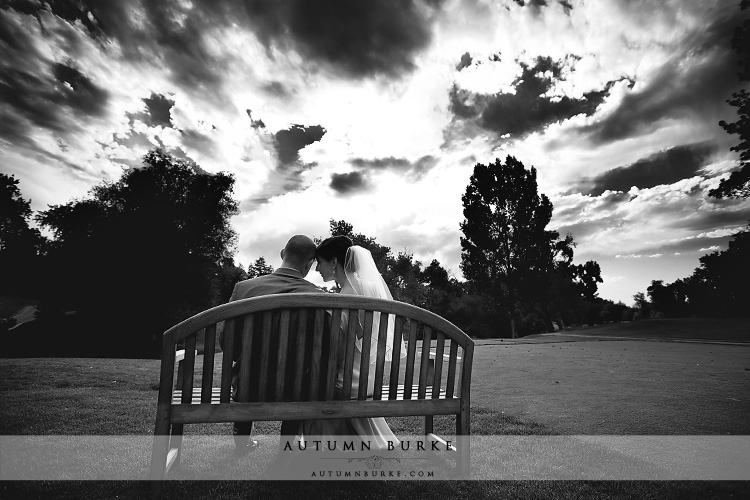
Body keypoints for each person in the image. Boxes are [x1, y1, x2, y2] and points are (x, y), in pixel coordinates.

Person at [298, 235, 406, 449]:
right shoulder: (374, 290)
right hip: (370, 380)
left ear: (335, 262)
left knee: (312, 379)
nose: (317, 268)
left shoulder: (341, 301)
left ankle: (323, 441)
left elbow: (335, 353)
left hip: (347, 385)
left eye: (320, 262)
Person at [220, 234, 323, 455]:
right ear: (309, 265)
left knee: (247, 374)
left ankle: (241, 444)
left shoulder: (244, 289)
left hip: (248, 388)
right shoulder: (317, 295)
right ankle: (285, 447)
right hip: (294, 390)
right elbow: (320, 351)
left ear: (282, 254)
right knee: (299, 379)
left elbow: (227, 344)